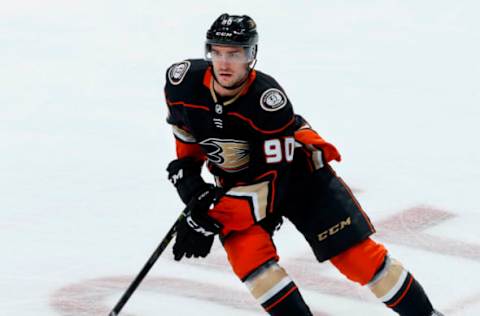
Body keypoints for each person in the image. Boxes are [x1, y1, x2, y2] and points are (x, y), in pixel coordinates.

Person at [164, 13, 443, 316]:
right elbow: (188, 136)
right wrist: (190, 179)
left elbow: (270, 187)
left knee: (356, 258)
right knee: (249, 260)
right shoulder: (183, 83)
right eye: (217, 52)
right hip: (240, 185)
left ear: (251, 56)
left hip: (298, 179)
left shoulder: (267, 102)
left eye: (235, 54)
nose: (224, 62)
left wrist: (214, 218)